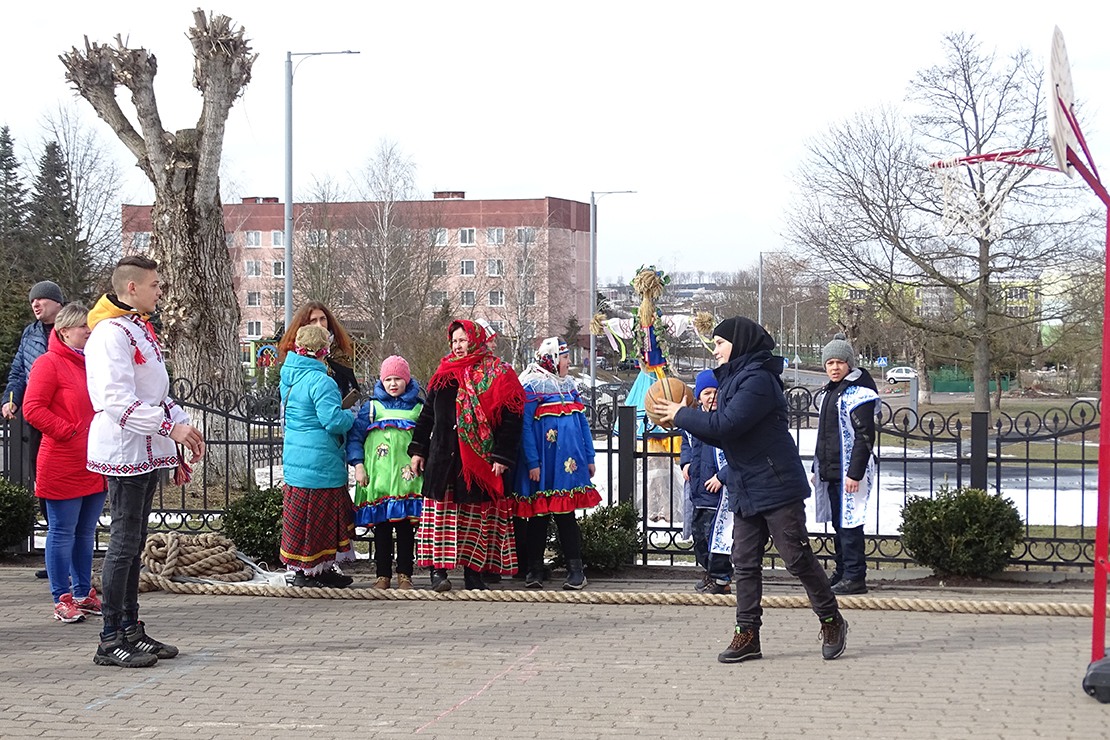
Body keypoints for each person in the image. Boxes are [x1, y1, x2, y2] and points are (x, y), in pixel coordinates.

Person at [649, 316, 847, 664]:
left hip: (775, 482)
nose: (715, 349)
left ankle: (831, 619)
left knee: (796, 557)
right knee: (744, 562)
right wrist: (682, 419)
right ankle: (747, 634)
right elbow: (722, 433)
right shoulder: (734, 380)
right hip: (745, 484)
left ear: (738, 344)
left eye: (720, 343)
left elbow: (730, 423)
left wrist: (682, 415)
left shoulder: (758, 380)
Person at [85, 256, 205, 668]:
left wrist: (182, 424)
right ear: (132, 288)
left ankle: (131, 628)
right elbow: (116, 400)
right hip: (124, 448)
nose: (160, 291)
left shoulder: (138, 329)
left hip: (146, 448)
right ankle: (109, 636)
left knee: (134, 543)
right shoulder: (109, 334)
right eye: (154, 284)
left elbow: (156, 394)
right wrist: (170, 428)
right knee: (122, 544)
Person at [408, 319, 524, 592]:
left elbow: (512, 418)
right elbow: (428, 415)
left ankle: (474, 573)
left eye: (462, 340)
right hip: (444, 458)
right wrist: (418, 450)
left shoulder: (499, 374)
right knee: (442, 518)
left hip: (478, 461)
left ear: (475, 339)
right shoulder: (444, 373)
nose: (458, 346)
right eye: (454, 341)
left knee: (474, 519)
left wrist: (502, 456)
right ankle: (439, 572)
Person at [22, 303, 107, 623]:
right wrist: (68, 431)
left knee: (86, 533)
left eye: (90, 325)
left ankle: (84, 593)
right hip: (62, 461)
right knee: (62, 532)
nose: (89, 330)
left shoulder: (93, 364)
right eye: (82, 325)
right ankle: (62, 597)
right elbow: (33, 408)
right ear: (64, 330)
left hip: (94, 461)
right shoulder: (49, 363)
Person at [512, 337, 601, 590]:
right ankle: (535, 569)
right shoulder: (532, 385)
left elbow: (582, 423)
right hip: (542, 463)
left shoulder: (570, 385)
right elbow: (525, 427)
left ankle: (576, 570)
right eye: (564, 357)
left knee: (566, 516)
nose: (568, 361)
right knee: (538, 517)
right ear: (550, 358)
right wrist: (532, 462)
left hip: (568, 464)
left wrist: (590, 457)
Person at [279, 324, 357, 588]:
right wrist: (351, 415)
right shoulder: (321, 380)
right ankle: (313, 571)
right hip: (320, 461)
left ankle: (310, 570)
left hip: (296, 459)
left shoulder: (289, 376)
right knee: (319, 520)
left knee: (301, 519)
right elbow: (332, 421)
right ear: (323, 350)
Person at [3, 280, 66, 579]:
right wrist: (11, 400)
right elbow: (18, 371)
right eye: (32, 302)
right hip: (37, 418)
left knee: (69, 485)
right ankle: (56, 556)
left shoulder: (74, 329)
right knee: (43, 482)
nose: (35, 305)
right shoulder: (29, 333)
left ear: (57, 302)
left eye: (41, 300)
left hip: (67, 416)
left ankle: (68, 557)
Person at [346, 355, 423, 590]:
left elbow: (427, 438)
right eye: (388, 379)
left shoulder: (418, 407)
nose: (393, 384)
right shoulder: (372, 407)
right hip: (378, 480)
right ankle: (382, 575)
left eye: (398, 379)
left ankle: (405, 574)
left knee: (405, 530)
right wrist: (358, 465)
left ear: (407, 380)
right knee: (381, 530)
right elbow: (356, 437)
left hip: (407, 482)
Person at [813, 333, 880, 596]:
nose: (834, 367)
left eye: (840, 362)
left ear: (849, 364)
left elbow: (864, 437)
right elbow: (824, 435)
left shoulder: (859, 393)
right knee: (839, 525)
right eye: (830, 363)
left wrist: (855, 472)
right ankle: (842, 571)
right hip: (832, 469)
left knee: (851, 524)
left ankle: (855, 575)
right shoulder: (831, 392)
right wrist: (816, 469)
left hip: (850, 472)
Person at [679, 369, 732, 595]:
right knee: (699, 538)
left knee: (717, 539)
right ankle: (709, 571)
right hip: (698, 491)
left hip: (718, 494)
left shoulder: (726, 421)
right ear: (698, 396)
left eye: (715, 392)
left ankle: (721, 578)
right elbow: (686, 445)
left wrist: (721, 477)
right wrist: (686, 463)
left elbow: (736, 455)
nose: (711, 397)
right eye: (706, 393)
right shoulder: (695, 420)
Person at [277, 301, 360, 399]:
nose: (319, 325)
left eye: (323, 319)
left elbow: (351, 386)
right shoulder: (297, 358)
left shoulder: (339, 351)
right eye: (313, 320)